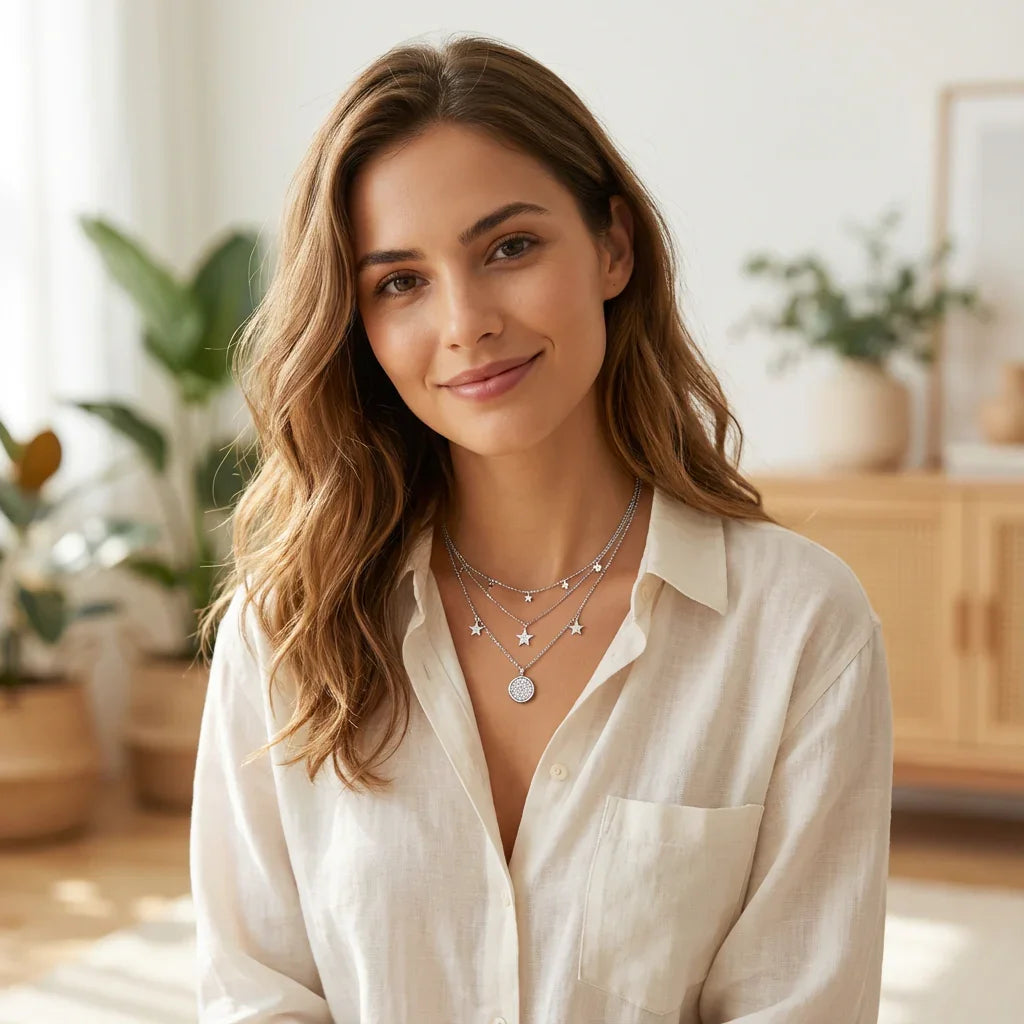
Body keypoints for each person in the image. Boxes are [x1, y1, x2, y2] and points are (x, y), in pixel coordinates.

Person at [189, 32, 893, 1024]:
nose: (465, 319)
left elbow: (801, 1003)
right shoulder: (287, 623)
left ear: (613, 246)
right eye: (400, 282)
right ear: (358, 325)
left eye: (507, 247)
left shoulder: (797, 627)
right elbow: (253, 992)